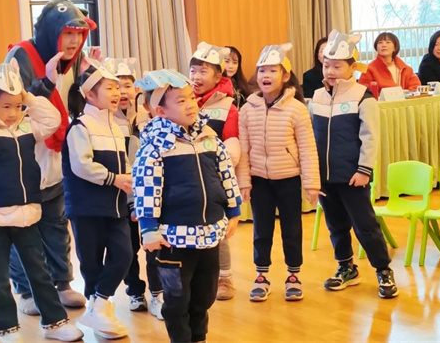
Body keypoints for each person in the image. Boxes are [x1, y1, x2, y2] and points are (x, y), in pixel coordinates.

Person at [0, 60, 82, 341]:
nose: (13, 113)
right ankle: (6, 328)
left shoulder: (26, 127)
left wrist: (28, 98)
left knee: (39, 271)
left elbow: (52, 120)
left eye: (17, 106)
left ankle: (55, 323)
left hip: (26, 214)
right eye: (5, 106)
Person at [132, 69, 241, 343]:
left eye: (191, 98)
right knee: (177, 299)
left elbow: (226, 175)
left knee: (205, 295)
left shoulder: (209, 138)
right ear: (161, 111)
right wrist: (148, 229)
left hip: (209, 235)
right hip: (173, 238)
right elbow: (146, 188)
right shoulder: (155, 147)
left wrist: (233, 211)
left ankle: (199, 337)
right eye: (181, 101)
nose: (191, 105)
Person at [5, 0, 97, 315]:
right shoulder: (20, 55)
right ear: (50, 32)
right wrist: (44, 84)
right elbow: (13, 105)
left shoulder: (76, 60)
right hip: (24, 155)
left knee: (56, 223)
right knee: (22, 226)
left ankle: (62, 283)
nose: (73, 41)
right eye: (67, 33)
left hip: (56, 155)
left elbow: (76, 102)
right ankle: (26, 289)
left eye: (78, 34)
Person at [310, 29, 399, 299]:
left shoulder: (363, 96)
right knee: (336, 225)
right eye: (327, 65)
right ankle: (346, 267)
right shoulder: (316, 97)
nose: (331, 71)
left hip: (353, 176)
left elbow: (370, 137)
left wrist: (364, 170)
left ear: (352, 68)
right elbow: (310, 137)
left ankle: (383, 270)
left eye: (337, 66)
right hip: (325, 178)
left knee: (365, 226)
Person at [236, 44, 322, 302]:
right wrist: (244, 182)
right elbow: (243, 150)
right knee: (261, 230)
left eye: (273, 70)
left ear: (285, 76)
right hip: (260, 181)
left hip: (288, 180)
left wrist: (311, 184)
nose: (266, 75)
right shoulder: (247, 109)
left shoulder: (296, 108)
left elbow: (308, 148)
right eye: (262, 70)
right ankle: (261, 276)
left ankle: (293, 275)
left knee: (292, 230)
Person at [62, 60, 133, 339]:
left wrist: (130, 190)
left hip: (116, 207)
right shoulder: (80, 126)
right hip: (87, 208)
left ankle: (100, 305)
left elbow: (125, 167)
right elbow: (82, 165)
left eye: (118, 87)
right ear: (90, 95)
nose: (117, 93)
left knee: (124, 254)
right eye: (109, 88)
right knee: (91, 262)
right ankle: (99, 310)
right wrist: (114, 179)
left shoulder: (116, 126)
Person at [103, 58, 164, 320]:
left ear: (136, 89)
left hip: (150, 195)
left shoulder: (149, 118)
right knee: (127, 249)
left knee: (154, 245)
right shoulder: (104, 122)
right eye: (115, 86)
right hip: (121, 197)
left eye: (127, 85)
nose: (122, 92)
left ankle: (158, 294)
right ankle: (135, 291)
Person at [189, 41, 240, 300]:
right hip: (187, 177)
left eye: (203, 71)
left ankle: (225, 278)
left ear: (218, 76)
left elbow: (232, 142)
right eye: (193, 70)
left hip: (214, 179)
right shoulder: (183, 99)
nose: (196, 76)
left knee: (218, 229)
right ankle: (195, 276)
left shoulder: (228, 106)